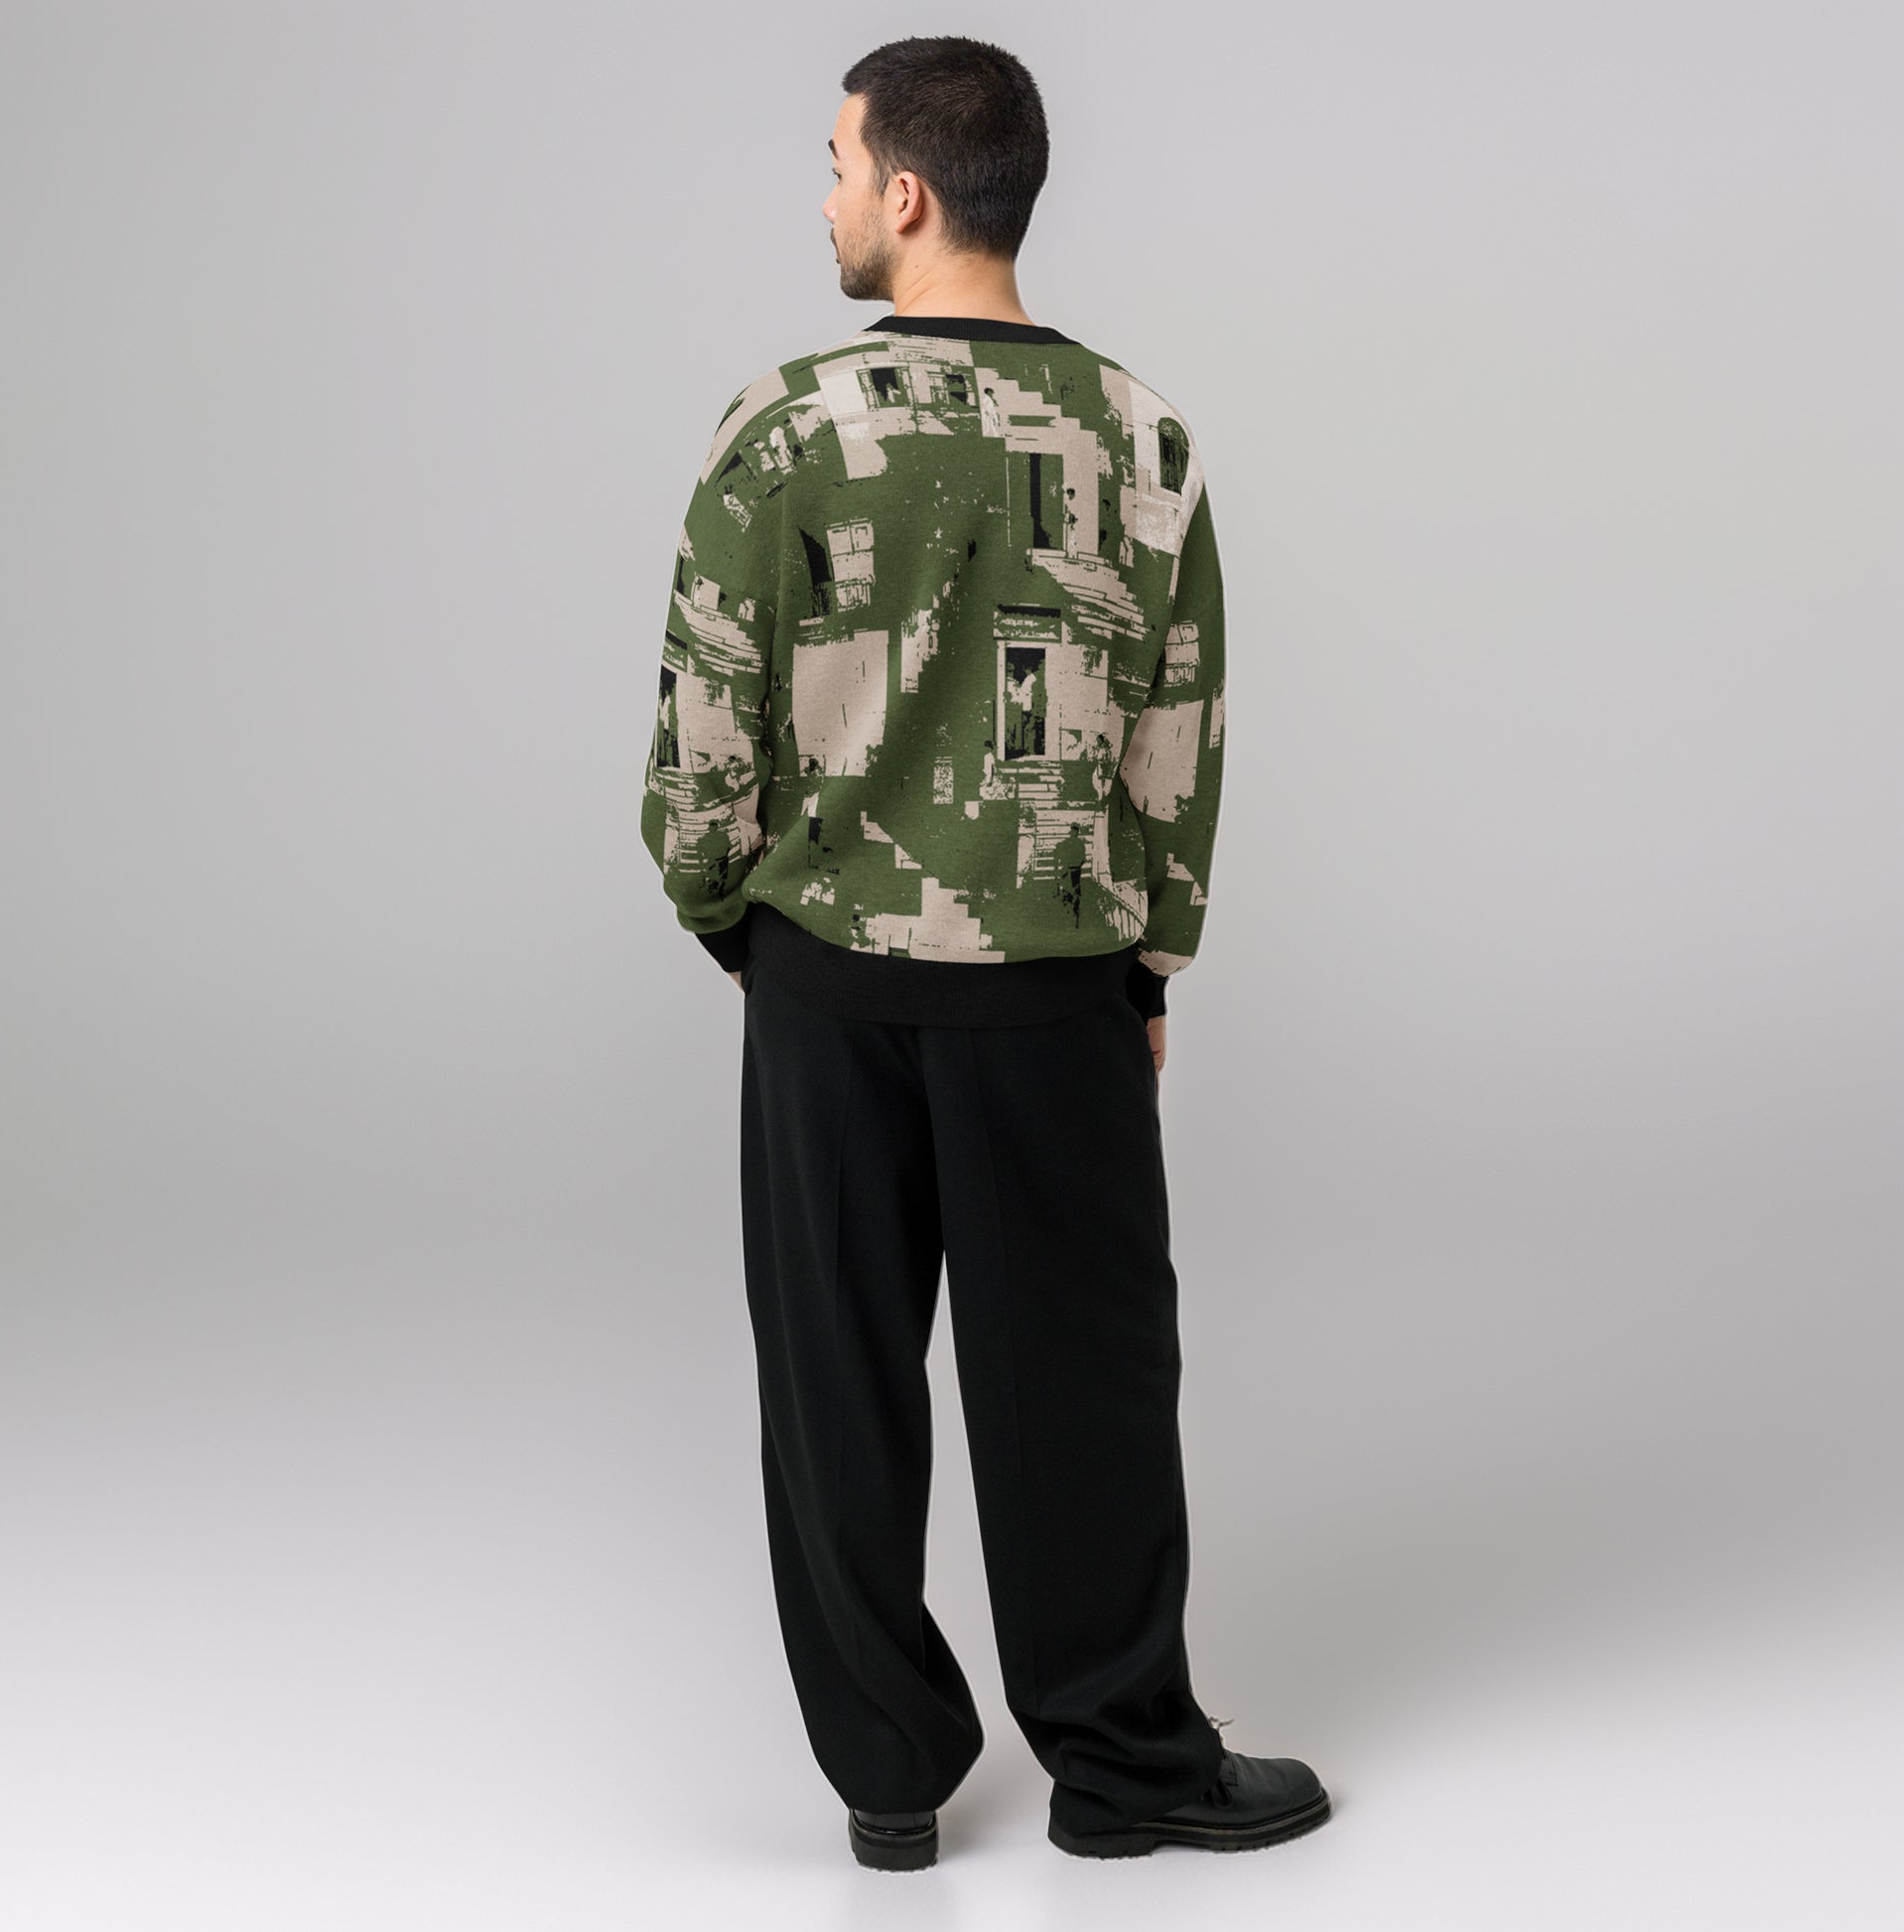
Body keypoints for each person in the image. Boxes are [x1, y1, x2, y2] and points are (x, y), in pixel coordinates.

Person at [638, 35, 1331, 1870]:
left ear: (908, 193)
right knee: (1079, 1385)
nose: (823, 198)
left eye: (835, 162)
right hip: (1052, 991)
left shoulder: (785, 427)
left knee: (836, 1385)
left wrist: (733, 918)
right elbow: (1177, 737)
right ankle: (1123, 1762)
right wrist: (1148, 966)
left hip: (825, 980)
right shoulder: (1139, 435)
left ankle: (887, 1778)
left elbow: (703, 724)